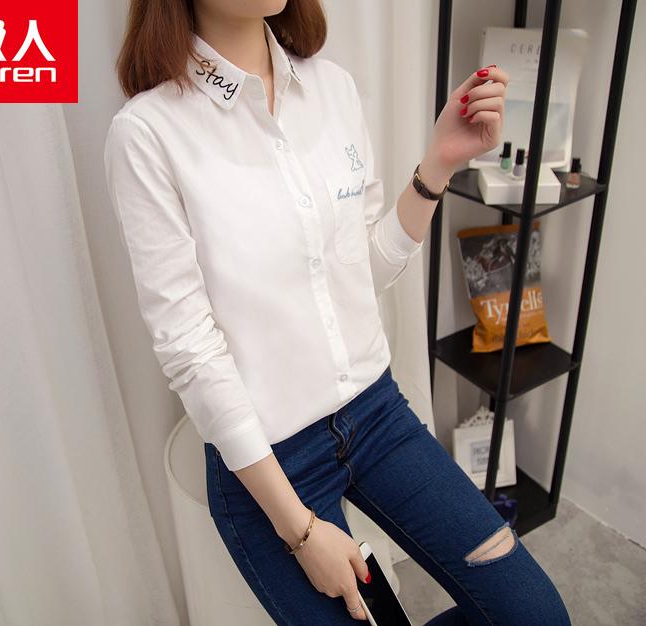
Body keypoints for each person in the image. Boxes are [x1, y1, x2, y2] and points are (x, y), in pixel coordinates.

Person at [104, 1, 571, 624]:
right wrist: (300, 531)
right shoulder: (148, 133)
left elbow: (359, 273)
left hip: (376, 414)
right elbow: (190, 350)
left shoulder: (332, 89)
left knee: (534, 615)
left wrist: (438, 164)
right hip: (271, 459)